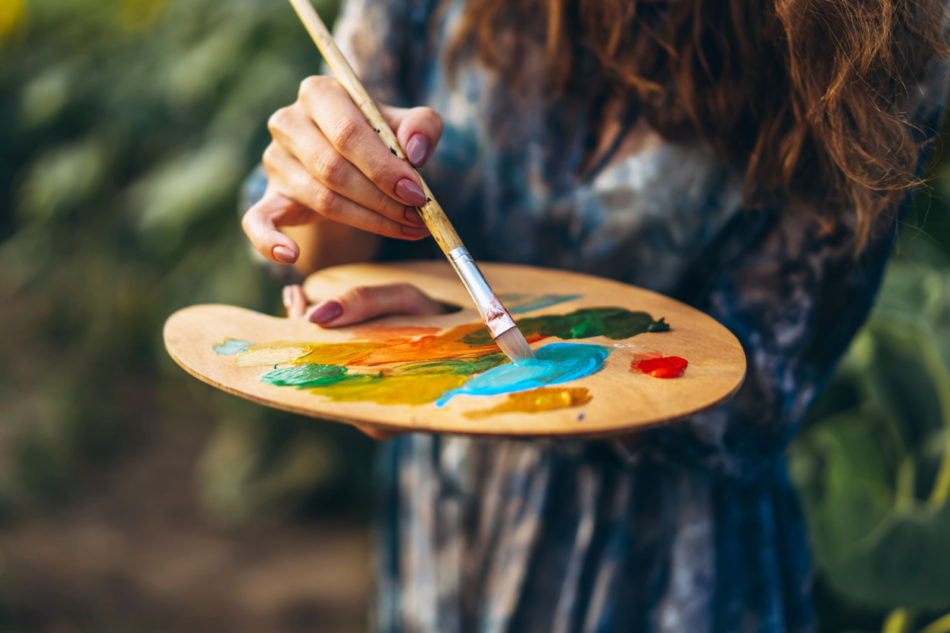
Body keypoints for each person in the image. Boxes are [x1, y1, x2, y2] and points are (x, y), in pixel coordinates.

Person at [241, 1, 950, 631]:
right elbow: (313, 254)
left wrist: (447, 356)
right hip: (449, 523)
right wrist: (325, 197)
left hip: (669, 568)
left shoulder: (878, 30)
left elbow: (757, 394)